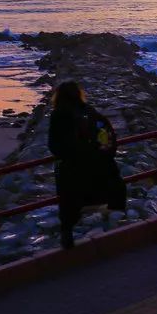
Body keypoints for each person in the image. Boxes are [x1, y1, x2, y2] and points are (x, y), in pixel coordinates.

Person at [47, 81, 127, 249]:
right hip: (98, 166)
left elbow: (54, 145)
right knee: (108, 191)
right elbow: (107, 137)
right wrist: (103, 156)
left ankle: (67, 237)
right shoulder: (90, 112)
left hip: (72, 168)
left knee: (68, 201)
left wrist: (69, 155)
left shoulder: (58, 115)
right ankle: (118, 223)